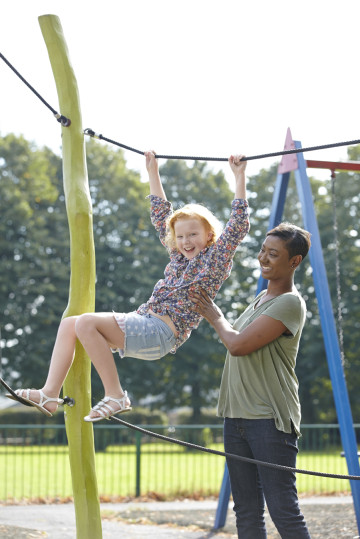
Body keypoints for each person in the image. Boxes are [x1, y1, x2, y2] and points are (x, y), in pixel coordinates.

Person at [7, 151, 250, 422]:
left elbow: (238, 226)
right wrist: (152, 171)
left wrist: (239, 176)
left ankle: (115, 395)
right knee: (70, 323)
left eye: (193, 234)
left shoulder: (215, 258)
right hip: (144, 322)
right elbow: (161, 216)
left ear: (209, 235)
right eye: (180, 236)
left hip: (162, 332)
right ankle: (50, 394)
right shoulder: (178, 256)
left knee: (86, 322)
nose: (186, 241)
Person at [190, 222, 312, 538]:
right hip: (237, 418)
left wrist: (214, 315)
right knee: (246, 512)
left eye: (273, 254)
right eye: (262, 250)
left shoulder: (289, 302)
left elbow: (239, 344)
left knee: (283, 511)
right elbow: (238, 338)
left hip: (269, 419)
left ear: (294, 262)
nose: (263, 258)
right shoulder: (260, 299)